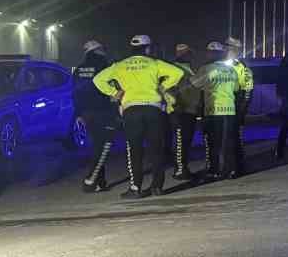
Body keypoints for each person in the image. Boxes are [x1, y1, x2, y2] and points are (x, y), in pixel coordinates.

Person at [92, 35, 184, 200]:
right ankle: (157, 187)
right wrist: (162, 87)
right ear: (147, 48)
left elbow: (98, 80)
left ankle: (135, 188)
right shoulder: (154, 63)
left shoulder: (120, 65)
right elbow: (178, 73)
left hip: (131, 110)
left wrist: (115, 93)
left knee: (134, 149)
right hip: (153, 109)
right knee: (156, 149)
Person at [72, 40, 119, 193]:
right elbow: (114, 88)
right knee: (103, 146)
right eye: (102, 49)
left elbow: (75, 94)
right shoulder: (105, 66)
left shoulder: (78, 70)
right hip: (103, 111)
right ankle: (90, 179)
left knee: (97, 145)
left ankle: (100, 182)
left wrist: (78, 114)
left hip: (86, 113)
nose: (104, 52)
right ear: (97, 51)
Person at [190, 42, 240, 180]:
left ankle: (215, 171)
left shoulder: (206, 69)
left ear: (211, 54)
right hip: (230, 111)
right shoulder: (231, 70)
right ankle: (231, 170)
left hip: (213, 111)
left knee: (214, 143)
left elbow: (194, 83)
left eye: (209, 52)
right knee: (228, 142)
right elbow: (236, 89)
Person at [166, 43, 205, 182]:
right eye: (188, 53)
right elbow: (166, 89)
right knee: (181, 141)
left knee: (186, 141)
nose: (190, 56)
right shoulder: (173, 69)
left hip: (190, 110)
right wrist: (174, 105)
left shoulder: (189, 68)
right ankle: (180, 170)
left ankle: (183, 168)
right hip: (180, 111)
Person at [226, 38, 253, 176]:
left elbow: (248, 88)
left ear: (237, 50)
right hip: (223, 107)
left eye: (231, 48)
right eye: (228, 47)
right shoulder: (222, 64)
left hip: (237, 106)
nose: (228, 50)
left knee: (237, 138)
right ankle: (227, 167)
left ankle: (238, 167)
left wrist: (243, 107)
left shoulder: (242, 66)